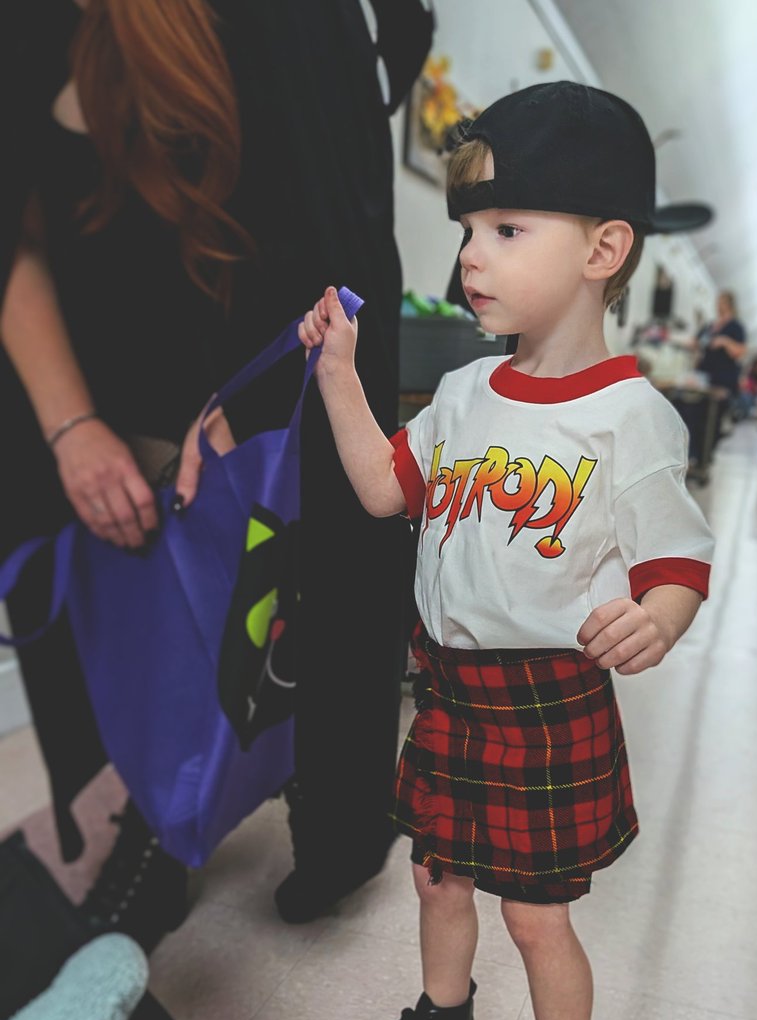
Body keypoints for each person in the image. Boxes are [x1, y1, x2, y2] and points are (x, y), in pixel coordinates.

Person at [297, 82, 715, 1020]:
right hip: (447, 695)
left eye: (505, 229)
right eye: (468, 233)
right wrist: (339, 376)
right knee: (437, 882)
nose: (470, 258)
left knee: (536, 921)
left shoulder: (629, 416)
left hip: (543, 706)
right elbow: (386, 490)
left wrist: (657, 616)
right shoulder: (467, 389)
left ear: (603, 247)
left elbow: (677, 558)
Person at [0, 0, 433, 943]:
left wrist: (245, 408)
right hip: (91, 358)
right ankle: (137, 821)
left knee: (303, 576)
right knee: (114, 595)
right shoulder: (33, 34)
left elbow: (332, 241)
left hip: (267, 329)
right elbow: (14, 235)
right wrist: (71, 426)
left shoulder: (288, 31)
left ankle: (334, 817)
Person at [695, 290, 747, 442]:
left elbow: (739, 352)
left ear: (729, 304)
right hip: (704, 377)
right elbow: (696, 343)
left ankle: (707, 452)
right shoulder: (710, 326)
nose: (718, 305)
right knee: (699, 413)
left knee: (715, 417)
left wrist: (725, 341)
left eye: (721, 302)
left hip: (723, 379)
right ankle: (697, 452)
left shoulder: (736, 327)